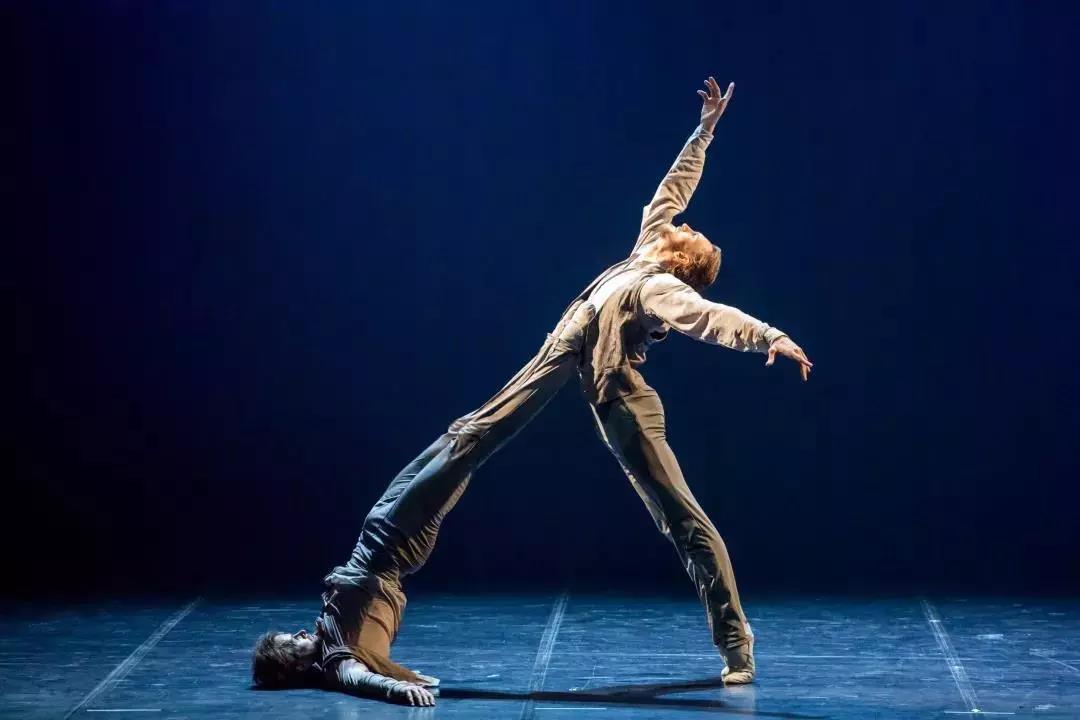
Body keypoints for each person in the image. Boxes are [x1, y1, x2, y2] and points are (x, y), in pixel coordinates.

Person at [252, 75, 812, 701]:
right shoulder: (645, 249)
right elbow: (673, 187)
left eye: (691, 232)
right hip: (564, 356)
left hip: (621, 392)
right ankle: (450, 458)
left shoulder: (661, 287)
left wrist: (768, 336)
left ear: (683, 258)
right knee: (477, 433)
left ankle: (735, 640)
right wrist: (704, 131)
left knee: (679, 515)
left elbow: (710, 319)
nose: (684, 222)